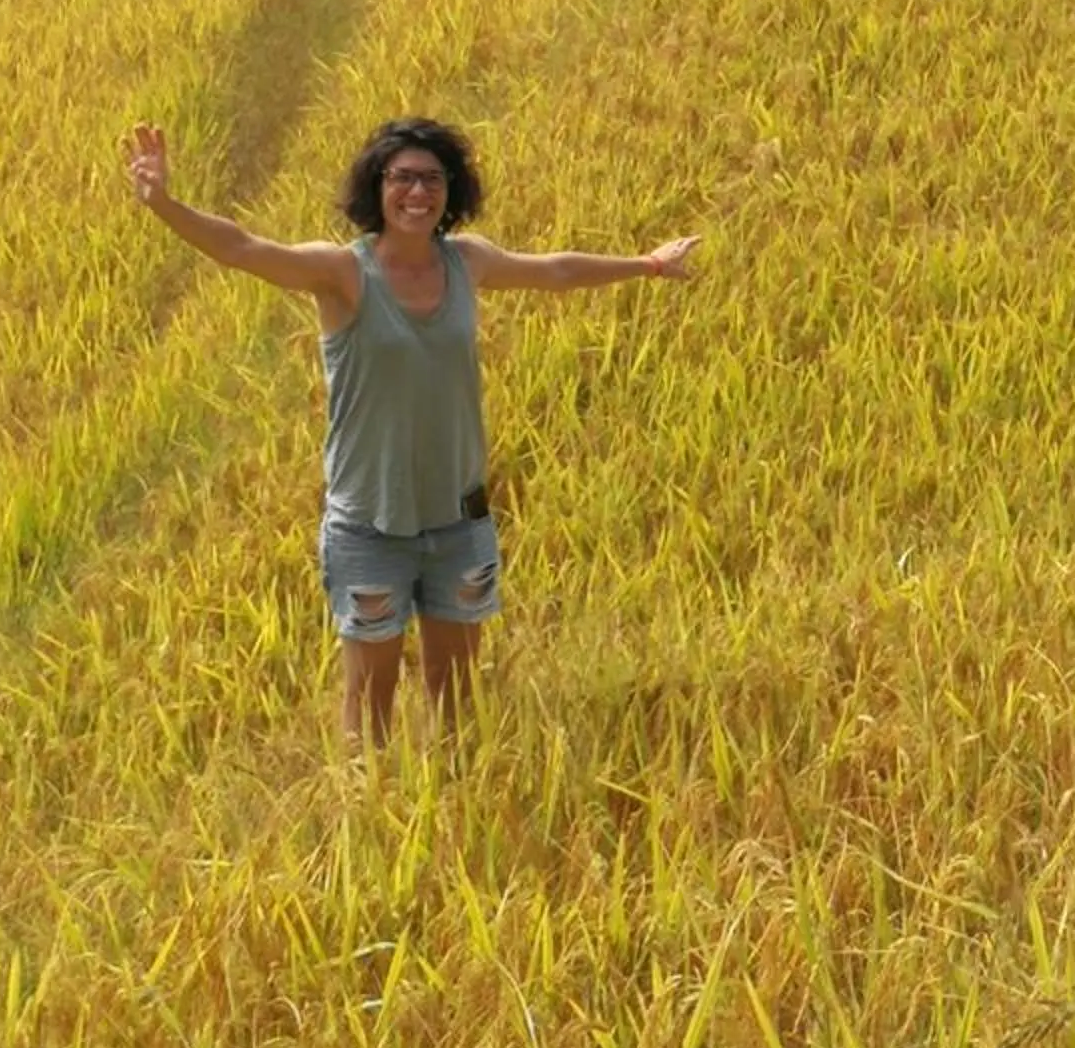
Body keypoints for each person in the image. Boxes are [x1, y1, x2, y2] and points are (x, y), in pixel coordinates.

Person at [123, 115, 698, 744]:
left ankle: (451, 810)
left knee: (457, 698)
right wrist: (163, 203)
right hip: (371, 526)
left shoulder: (467, 263)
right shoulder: (342, 273)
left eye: (432, 179)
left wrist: (646, 264)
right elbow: (243, 248)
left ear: (452, 192)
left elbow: (555, 271)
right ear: (378, 186)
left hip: (459, 522)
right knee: (369, 702)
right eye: (402, 179)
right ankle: (366, 821)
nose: (417, 193)